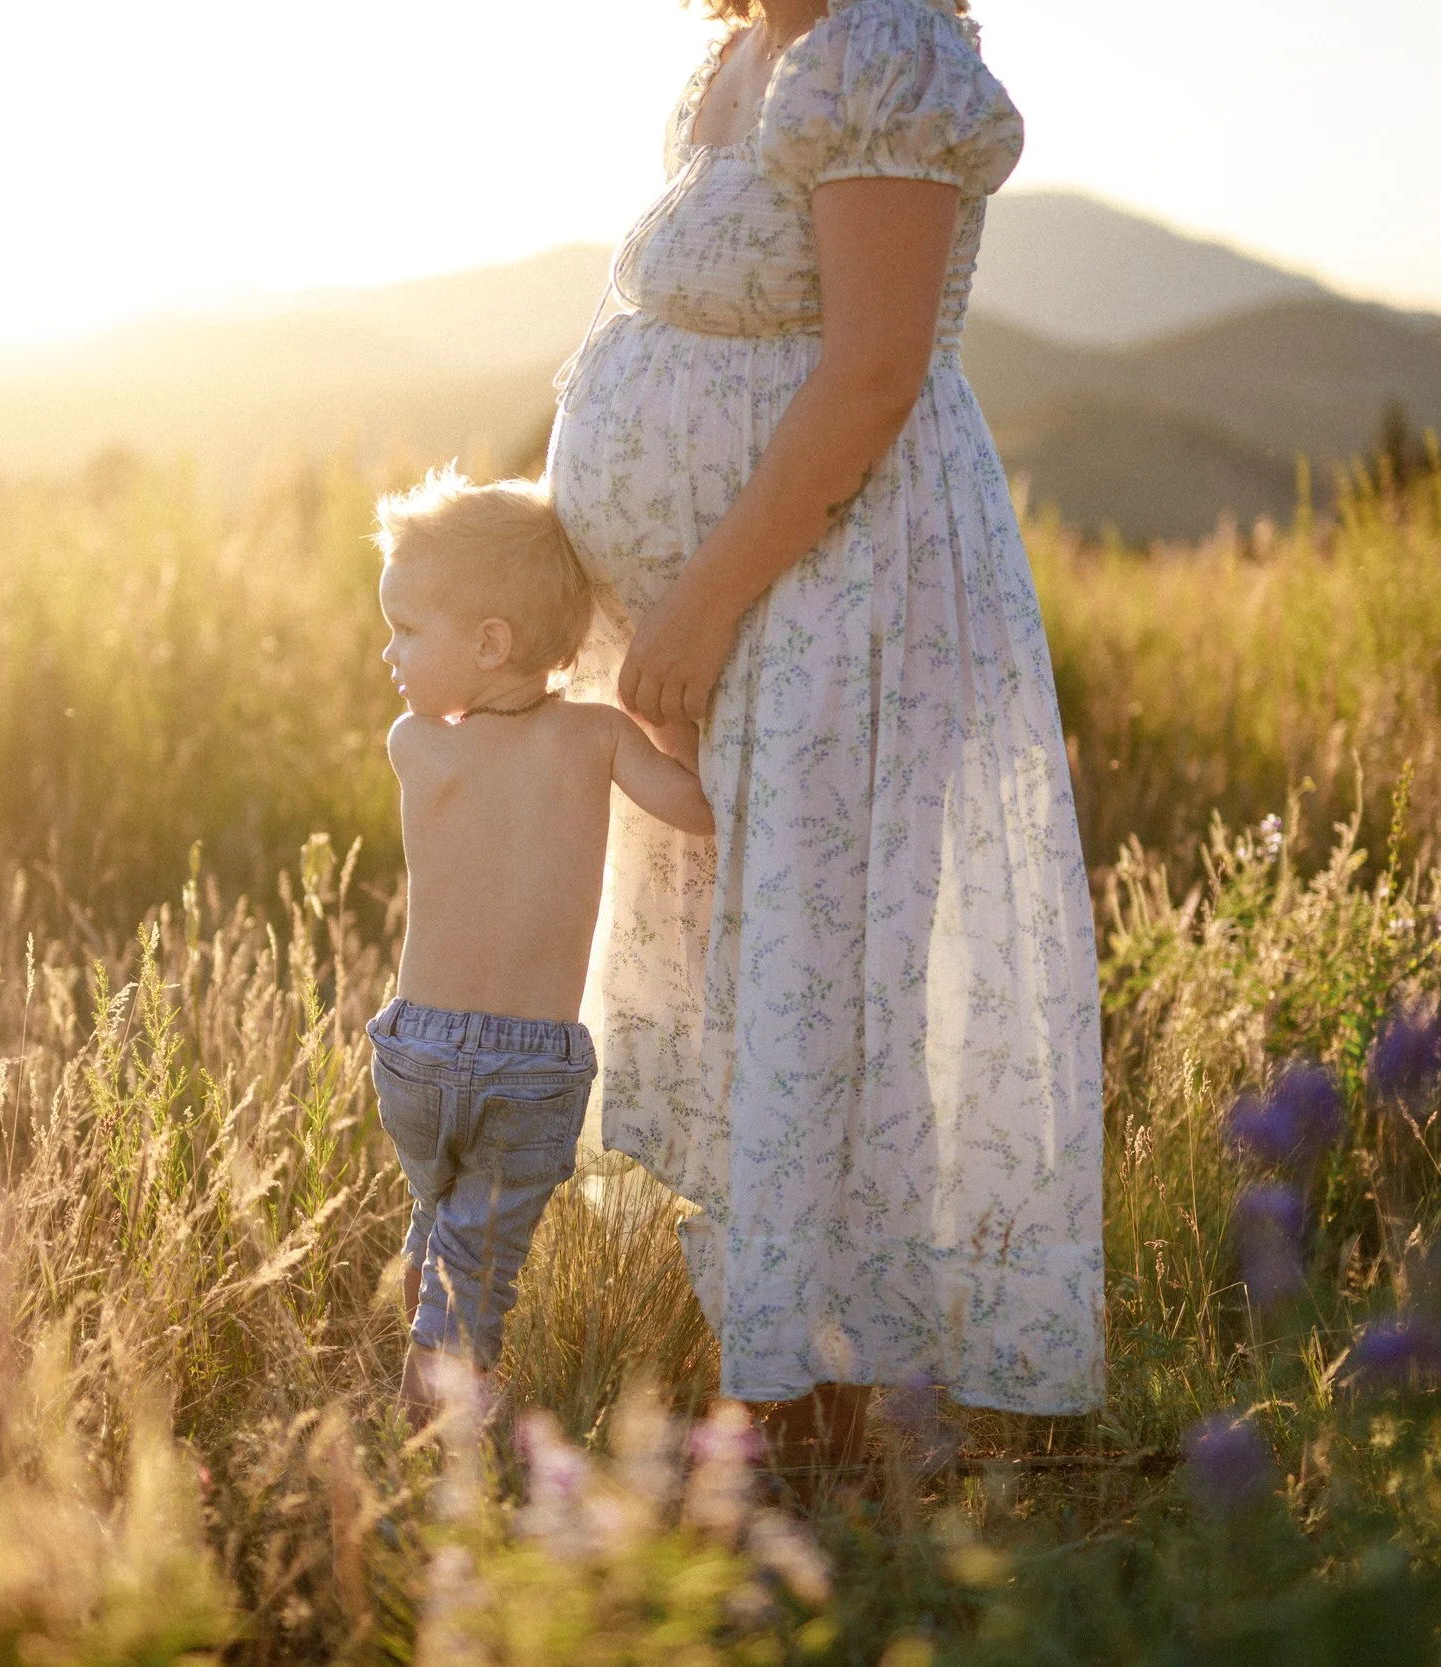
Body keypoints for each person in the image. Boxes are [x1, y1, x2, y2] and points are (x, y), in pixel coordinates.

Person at [548, 0, 1105, 1460]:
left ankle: (829, 1401)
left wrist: (702, 606)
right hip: (730, 608)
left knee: (828, 964)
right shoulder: (739, 58)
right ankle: (774, 1354)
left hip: (839, 591)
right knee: (757, 962)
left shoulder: (886, 58)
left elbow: (872, 370)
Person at [368, 470, 716, 1424]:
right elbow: (697, 808)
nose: (389, 651)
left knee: (434, 1227)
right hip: (529, 1064)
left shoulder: (417, 744)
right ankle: (442, 1418)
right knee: (478, 1262)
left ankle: (431, 1389)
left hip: (417, 1052)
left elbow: (456, 731)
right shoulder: (599, 738)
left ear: (490, 642)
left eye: (406, 628)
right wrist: (676, 712)